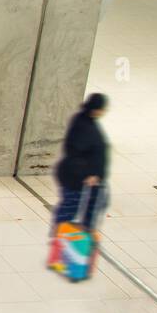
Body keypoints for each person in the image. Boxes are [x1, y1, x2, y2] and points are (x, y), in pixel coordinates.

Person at [53, 93, 109, 230]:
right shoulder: (85, 126)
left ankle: (81, 236)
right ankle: (62, 239)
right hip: (77, 180)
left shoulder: (84, 120)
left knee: (93, 206)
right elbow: (74, 152)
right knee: (70, 209)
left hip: (84, 179)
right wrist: (88, 174)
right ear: (96, 109)